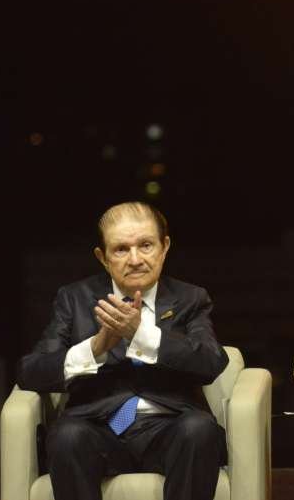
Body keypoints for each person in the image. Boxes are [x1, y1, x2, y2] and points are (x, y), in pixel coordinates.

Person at [17, 202, 228, 500]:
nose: (135, 259)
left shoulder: (190, 298)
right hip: (97, 428)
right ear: (102, 258)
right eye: (121, 250)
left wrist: (142, 335)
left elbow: (210, 361)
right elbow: (31, 371)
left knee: (200, 429)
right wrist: (95, 348)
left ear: (165, 247)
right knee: (67, 436)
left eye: (146, 245)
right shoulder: (75, 298)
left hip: (171, 427)